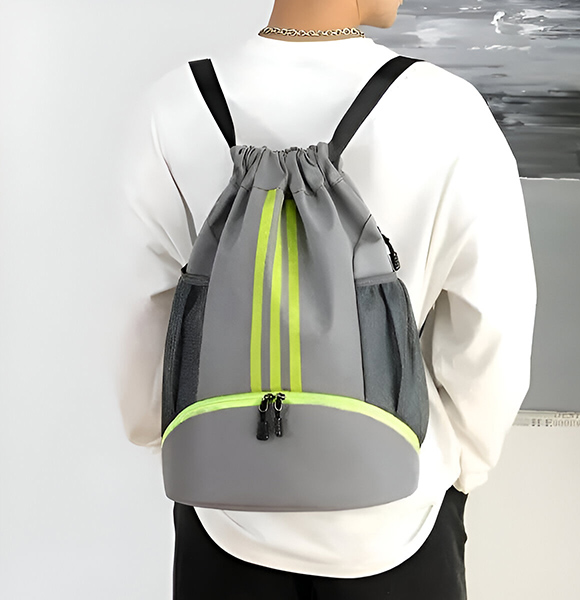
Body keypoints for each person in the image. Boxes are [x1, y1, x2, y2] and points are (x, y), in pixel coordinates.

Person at [117, 0, 537, 598]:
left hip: (223, 514)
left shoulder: (172, 104)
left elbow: (141, 312)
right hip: (399, 512)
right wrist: (462, 465)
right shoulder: (447, 109)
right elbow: (492, 324)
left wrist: (170, 437)